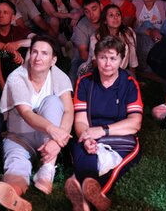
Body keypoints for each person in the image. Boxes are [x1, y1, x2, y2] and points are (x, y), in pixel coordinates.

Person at [0, 36, 74, 210]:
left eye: (44, 54)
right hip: (19, 136)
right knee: (16, 167)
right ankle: (13, 194)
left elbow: (68, 110)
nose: (37, 57)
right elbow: (26, 113)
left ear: (53, 60)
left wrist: (57, 142)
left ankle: (47, 169)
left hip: (48, 139)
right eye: (34, 51)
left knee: (53, 101)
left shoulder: (59, 76)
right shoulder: (17, 77)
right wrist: (54, 130)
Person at [67, 35, 143, 211]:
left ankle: (86, 198)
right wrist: (86, 138)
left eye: (113, 58)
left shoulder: (129, 83)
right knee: (85, 158)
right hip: (89, 134)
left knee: (112, 167)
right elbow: (80, 120)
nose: (107, 63)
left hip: (119, 138)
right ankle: (91, 197)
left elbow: (135, 123)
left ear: (121, 60)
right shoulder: (85, 82)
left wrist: (103, 131)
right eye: (103, 58)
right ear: (95, 58)